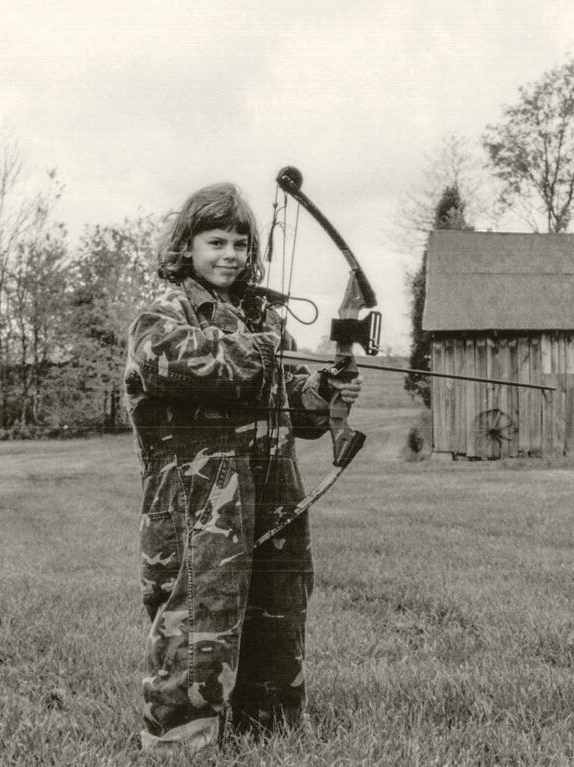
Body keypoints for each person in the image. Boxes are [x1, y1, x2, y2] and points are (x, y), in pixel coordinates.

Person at [123, 182, 362, 753]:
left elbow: (296, 408)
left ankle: (269, 730)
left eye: (239, 243)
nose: (229, 254)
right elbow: (175, 365)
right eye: (216, 241)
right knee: (201, 609)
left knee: (278, 604)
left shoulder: (259, 320)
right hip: (198, 502)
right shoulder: (163, 314)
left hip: (273, 491)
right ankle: (180, 738)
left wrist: (328, 390)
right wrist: (266, 346)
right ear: (187, 246)